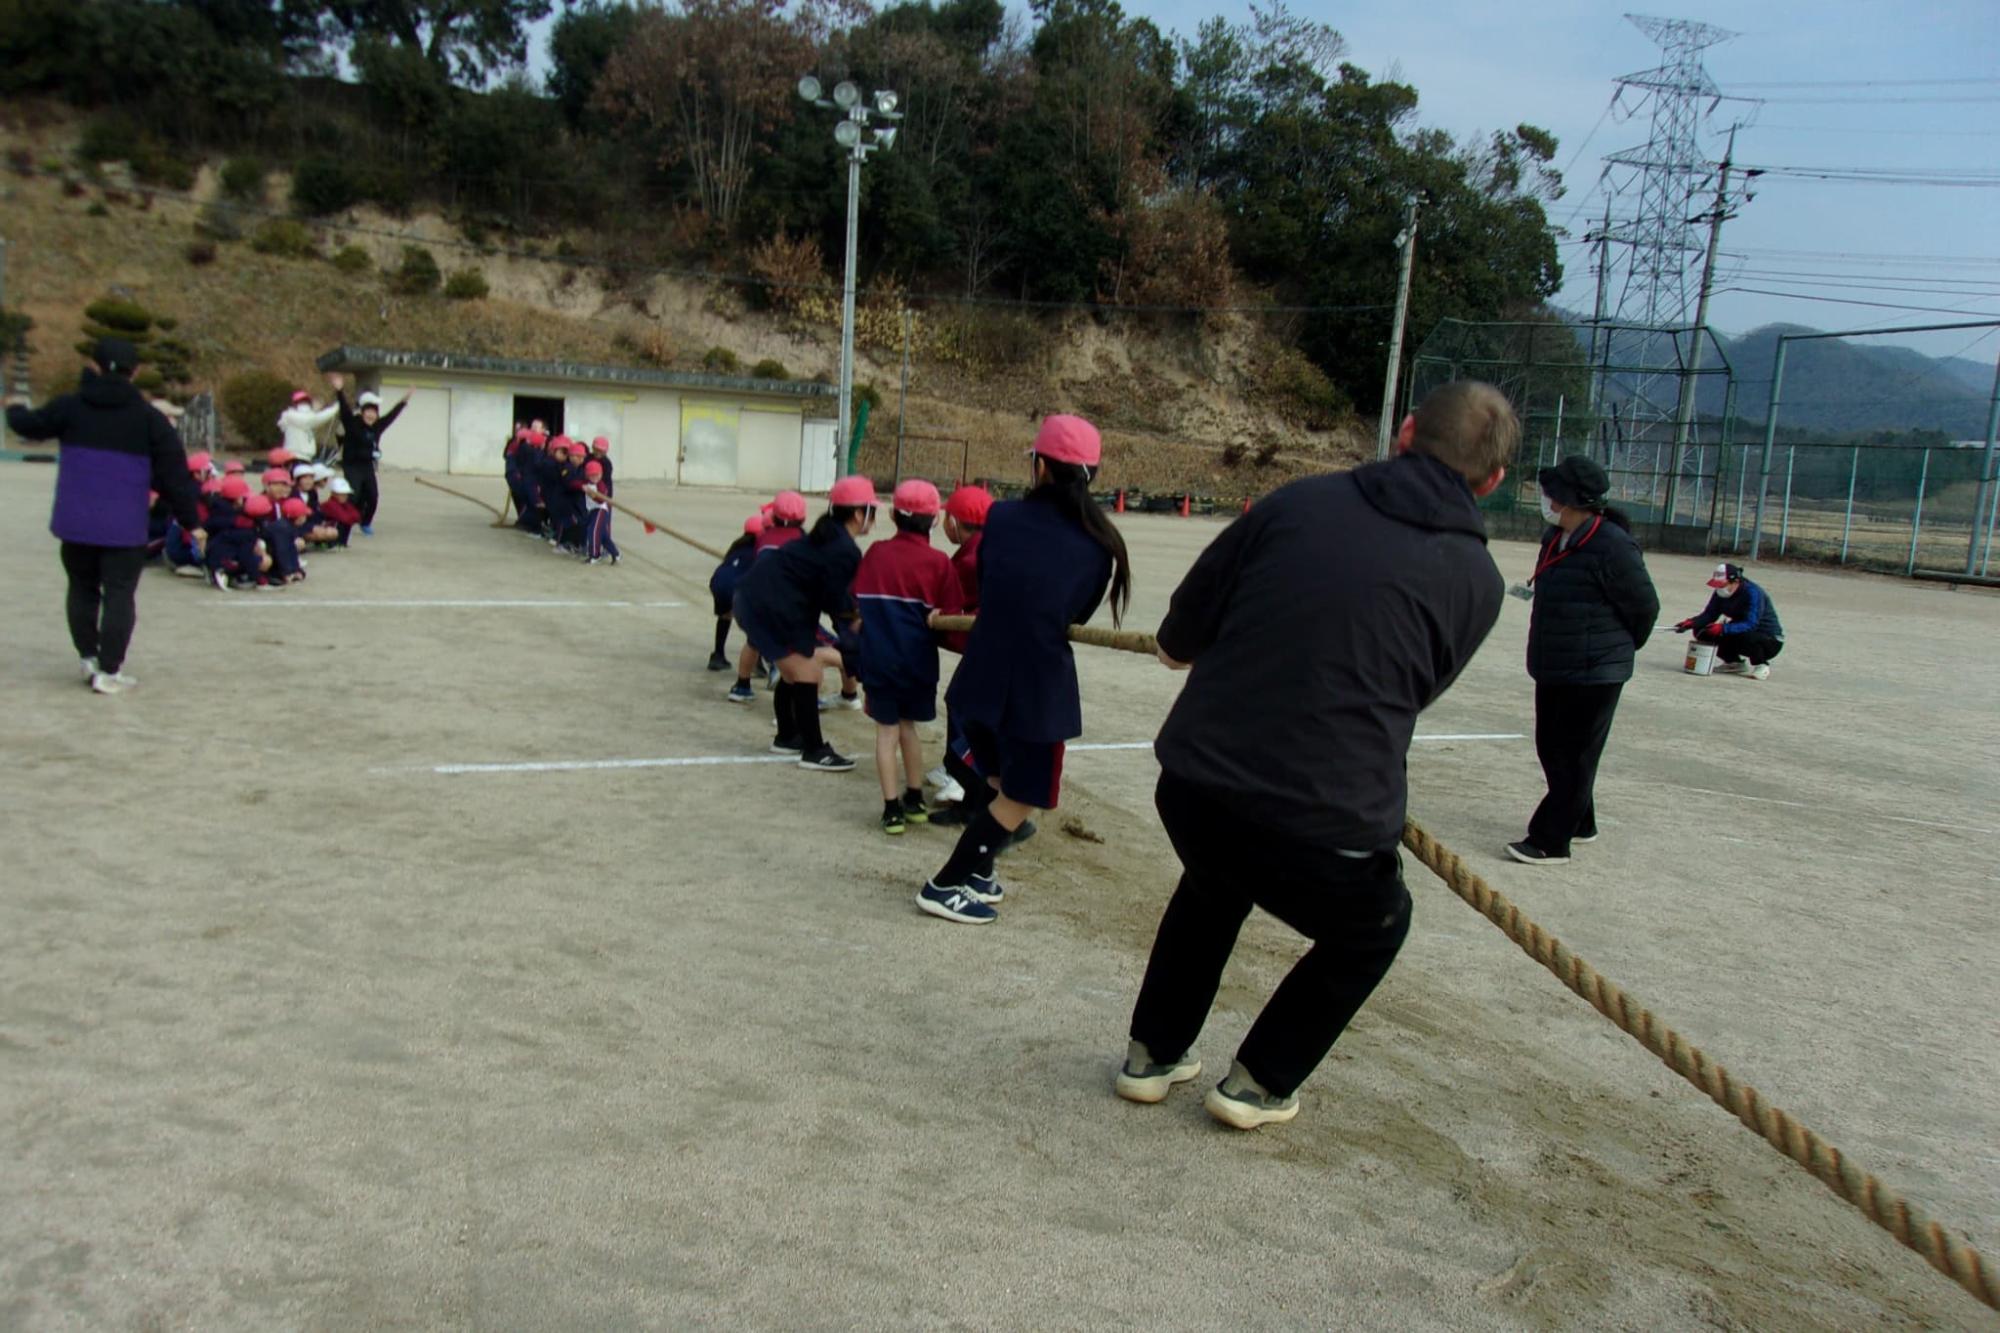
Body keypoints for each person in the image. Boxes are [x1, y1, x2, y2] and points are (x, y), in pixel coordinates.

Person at [1119, 381, 1513, 1130]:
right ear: (1491, 480)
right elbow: (1414, 689)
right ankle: (1258, 1081)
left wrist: (1201, 647)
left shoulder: (1299, 502)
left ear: (1404, 432)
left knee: (1214, 882)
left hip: (1197, 787)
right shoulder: (1480, 580)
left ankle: (1151, 1054)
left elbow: (1181, 635)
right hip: (1325, 821)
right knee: (1374, 926)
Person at [917, 415, 1129, 925]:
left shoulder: (1003, 517)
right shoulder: (1101, 542)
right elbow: (1077, 612)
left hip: (979, 678)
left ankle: (980, 874)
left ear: (1040, 466)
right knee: (1022, 796)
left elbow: (991, 582)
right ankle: (944, 885)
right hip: (1035, 690)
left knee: (997, 780)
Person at [5, 337, 206, 694]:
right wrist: (191, 522)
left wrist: (14, 407)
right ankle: (109, 670)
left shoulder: (70, 407)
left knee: (81, 588)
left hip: (76, 521)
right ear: (136, 372)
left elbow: (29, 425)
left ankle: (88, 657)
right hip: (123, 525)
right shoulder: (149, 419)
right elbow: (174, 476)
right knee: (119, 595)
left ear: (94, 366)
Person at [1508, 454, 1660, 867]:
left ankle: (1550, 840)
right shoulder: (1554, 537)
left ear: (1569, 499)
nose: (1545, 500)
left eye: (1551, 494)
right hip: (1555, 662)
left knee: (1573, 755)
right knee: (1551, 748)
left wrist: (1613, 651)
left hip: (1596, 670)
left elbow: (1645, 607)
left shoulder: (1613, 545)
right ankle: (1581, 819)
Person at [731, 477, 878, 771]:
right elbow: (836, 604)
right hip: (772, 606)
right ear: (858, 514)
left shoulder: (829, 533)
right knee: (807, 669)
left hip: (760, 598)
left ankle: (787, 736)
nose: (873, 520)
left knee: (792, 671)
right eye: (871, 512)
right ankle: (814, 750)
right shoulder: (844, 549)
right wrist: (856, 643)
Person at [854, 479, 965, 835]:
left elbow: (855, 600)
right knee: (908, 728)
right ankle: (915, 798)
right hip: (918, 663)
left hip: (879, 661)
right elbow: (952, 615)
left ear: (892, 515)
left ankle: (892, 810)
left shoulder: (876, 554)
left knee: (886, 733)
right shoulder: (939, 563)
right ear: (934, 520)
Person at [726, 492, 810, 702]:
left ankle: (741, 686)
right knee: (796, 646)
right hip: (784, 600)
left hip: (756, 598)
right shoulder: (803, 540)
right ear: (803, 517)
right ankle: (792, 683)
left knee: (754, 641)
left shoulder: (764, 538)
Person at [1675, 562, 1783, 680]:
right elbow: (1709, 614)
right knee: (1702, 631)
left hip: (1768, 639)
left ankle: (1762, 665)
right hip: (1740, 631)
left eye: (1722, 585)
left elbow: (1751, 623)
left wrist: (1723, 628)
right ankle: (1734, 662)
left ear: (1735, 581)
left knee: (1745, 634)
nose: (1719, 588)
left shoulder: (1753, 592)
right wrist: (1693, 623)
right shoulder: (1720, 593)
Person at [333, 384, 409, 535]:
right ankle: (343, 521)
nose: (371, 415)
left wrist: (404, 401)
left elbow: (392, 416)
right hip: (352, 465)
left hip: (367, 466)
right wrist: (339, 391)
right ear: (362, 412)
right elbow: (344, 411)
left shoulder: (377, 426)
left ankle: (365, 522)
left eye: (374, 412)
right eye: (368, 412)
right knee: (354, 495)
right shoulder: (353, 424)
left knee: (373, 496)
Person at [708, 515, 765, 671]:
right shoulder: (760, 549)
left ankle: (718, 655)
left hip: (718, 582)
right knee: (759, 621)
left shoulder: (737, 546)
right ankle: (757, 663)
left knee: (725, 616)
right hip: (736, 586)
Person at [280, 378, 343, 465]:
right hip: (297, 457)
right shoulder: (293, 416)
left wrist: (315, 411)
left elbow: (310, 418)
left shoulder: (290, 416)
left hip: (298, 457)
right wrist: (336, 407)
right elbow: (315, 418)